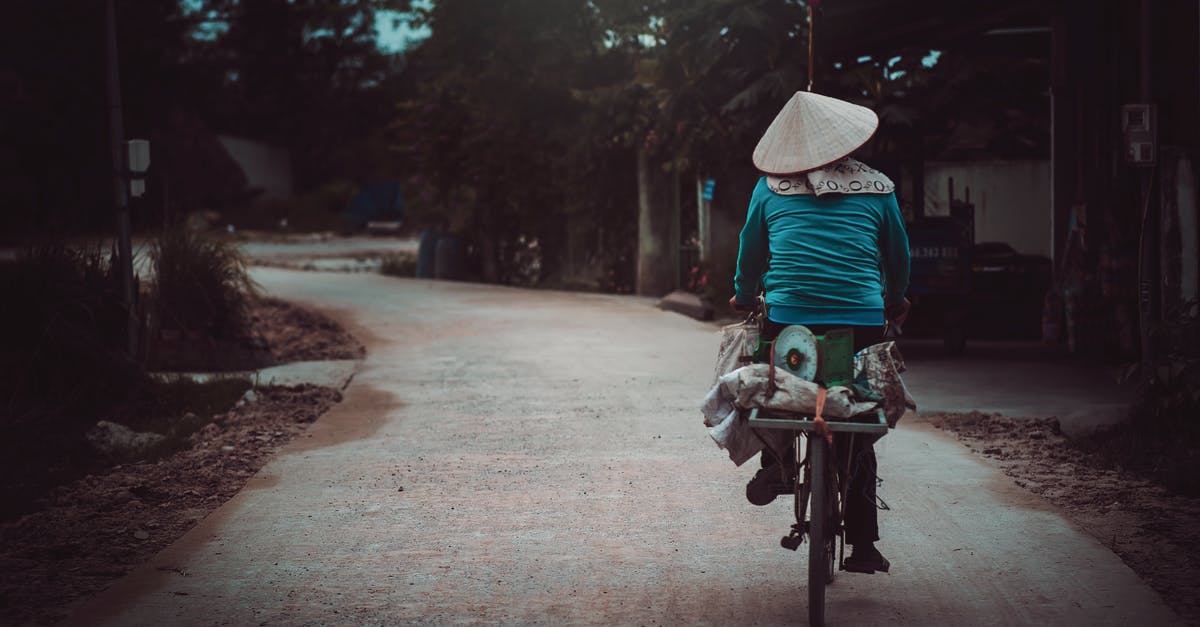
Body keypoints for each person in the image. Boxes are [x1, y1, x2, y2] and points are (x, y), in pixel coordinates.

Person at [729, 90, 911, 575]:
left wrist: (744, 294)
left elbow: (750, 251)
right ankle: (864, 545)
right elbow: (898, 257)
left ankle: (776, 464)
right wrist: (895, 299)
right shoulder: (878, 187)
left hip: (789, 316)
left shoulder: (770, 187)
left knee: (773, 387)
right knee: (859, 415)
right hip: (863, 319)